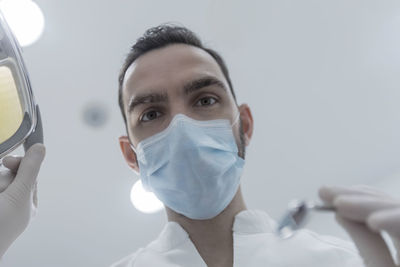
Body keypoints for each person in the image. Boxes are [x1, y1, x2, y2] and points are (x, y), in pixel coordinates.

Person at [0, 25, 399, 267]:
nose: (183, 127)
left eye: (205, 100)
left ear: (243, 124)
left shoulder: (340, 261)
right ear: (131, 156)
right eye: (152, 114)